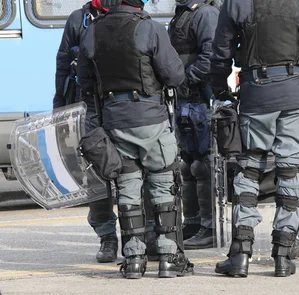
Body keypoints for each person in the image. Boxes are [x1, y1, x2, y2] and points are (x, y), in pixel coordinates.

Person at [209, 0, 299, 277]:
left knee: (250, 169)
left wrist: (220, 89)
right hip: (297, 91)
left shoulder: (237, 3)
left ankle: (241, 254)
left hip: (257, 91)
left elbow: (220, 53)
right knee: (290, 170)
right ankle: (283, 254)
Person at [78, 0, 194, 279]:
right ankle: (168, 258)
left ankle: (133, 260)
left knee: (128, 190)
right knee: (164, 186)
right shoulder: (150, 29)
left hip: (115, 121)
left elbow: (85, 80)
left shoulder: (92, 32)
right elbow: (175, 75)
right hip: (150, 118)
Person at [54, 0, 120, 264]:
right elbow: (62, 65)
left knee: (133, 173)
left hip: (123, 106)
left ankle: (140, 236)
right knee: (95, 177)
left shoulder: (134, 16)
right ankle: (107, 237)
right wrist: (59, 105)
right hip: (87, 106)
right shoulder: (77, 19)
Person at [168, 0, 220, 250]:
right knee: (187, 164)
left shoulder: (205, 13)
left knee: (203, 164)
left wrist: (186, 80)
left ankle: (209, 227)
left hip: (200, 98)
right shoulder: (183, 13)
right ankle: (193, 223)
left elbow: (211, 56)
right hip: (185, 99)